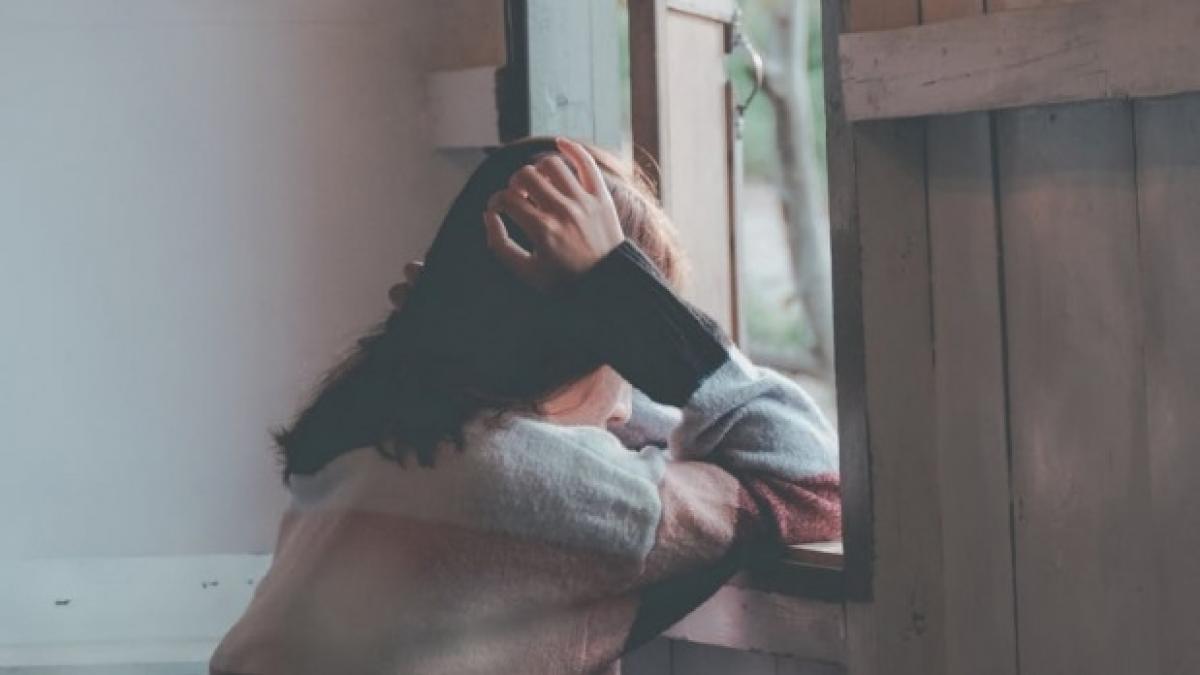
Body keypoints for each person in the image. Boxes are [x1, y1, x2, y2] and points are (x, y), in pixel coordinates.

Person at [209, 136, 840, 675]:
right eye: (623, 361)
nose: (628, 406)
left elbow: (606, 426)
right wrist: (631, 301)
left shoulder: (367, 438)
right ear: (591, 348)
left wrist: (445, 323)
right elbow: (811, 481)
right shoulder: (534, 486)